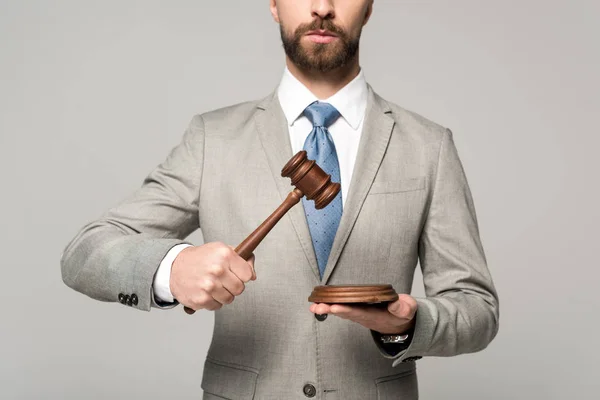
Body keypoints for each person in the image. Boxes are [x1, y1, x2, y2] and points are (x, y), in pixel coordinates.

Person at [60, 1, 499, 399]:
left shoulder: (428, 145)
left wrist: (409, 324)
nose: (322, 7)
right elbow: (85, 253)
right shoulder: (213, 138)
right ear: (273, 5)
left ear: (369, 7)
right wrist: (172, 268)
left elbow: (476, 308)